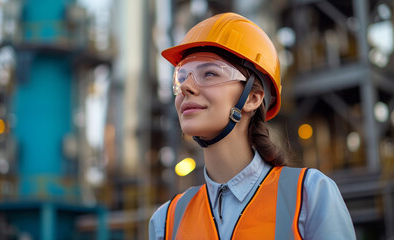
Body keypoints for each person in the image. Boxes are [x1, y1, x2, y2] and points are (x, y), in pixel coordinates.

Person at [149, 12, 356, 239]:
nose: (186, 87)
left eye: (209, 73)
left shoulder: (309, 195)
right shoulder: (166, 222)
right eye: (182, 77)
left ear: (252, 98)